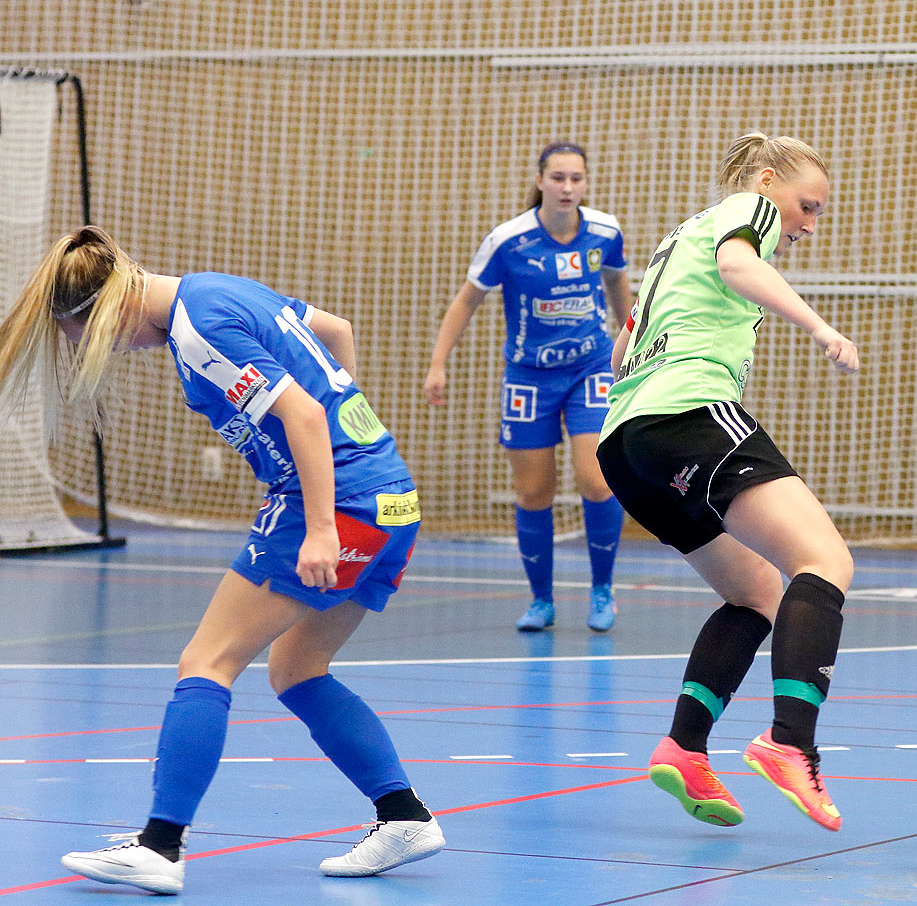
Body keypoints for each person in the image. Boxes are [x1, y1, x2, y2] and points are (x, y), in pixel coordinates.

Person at [0, 227, 443, 894]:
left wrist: (322, 525)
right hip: (390, 496)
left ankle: (160, 845)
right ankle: (403, 816)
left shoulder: (198, 328)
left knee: (206, 662)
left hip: (336, 505)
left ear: (111, 309)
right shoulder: (217, 289)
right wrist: (353, 424)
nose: (117, 351)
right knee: (297, 670)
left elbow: (304, 417)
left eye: (97, 340)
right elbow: (337, 330)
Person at [595, 133, 859, 832]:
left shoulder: (671, 244)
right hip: (688, 412)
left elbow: (622, 348)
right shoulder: (748, 212)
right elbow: (737, 263)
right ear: (769, 181)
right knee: (826, 561)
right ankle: (789, 741)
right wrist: (820, 327)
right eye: (808, 205)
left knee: (757, 595)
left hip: (624, 444)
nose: (808, 223)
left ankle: (683, 747)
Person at [425, 141, 631, 633]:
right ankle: (542, 600)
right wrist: (438, 363)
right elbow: (466, 302)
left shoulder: (605, 232)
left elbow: (619, 288)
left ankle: (602, 590)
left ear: (586, 183)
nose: (567, 187)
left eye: (576, 178)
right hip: (529, 377)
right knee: (534, 491)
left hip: (591, 368)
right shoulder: (508, 241)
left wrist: (637, 347)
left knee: (597, 478)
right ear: (540, 181)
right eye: (557, 177)